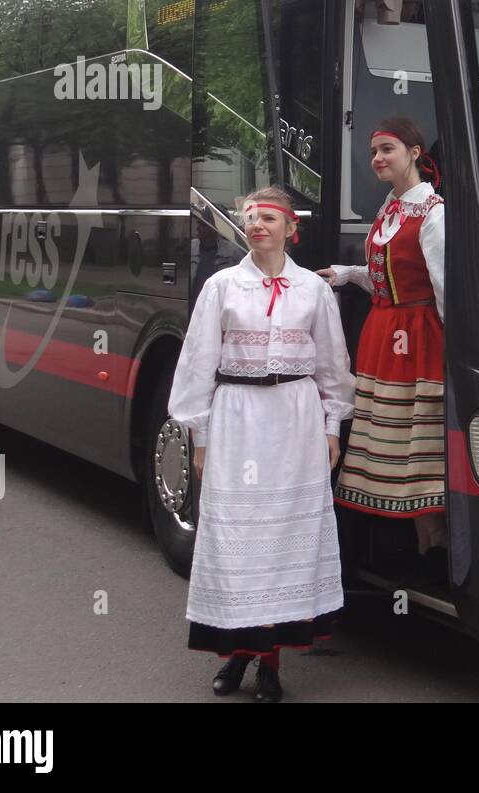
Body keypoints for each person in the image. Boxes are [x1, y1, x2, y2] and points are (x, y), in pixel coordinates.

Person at [168, 185, 355, 702]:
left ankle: (268, 663)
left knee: (281, 540)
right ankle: (236, 656)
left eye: (269, 218)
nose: (257, 225)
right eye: (250, 217)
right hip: (237, 417)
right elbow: (197, 363)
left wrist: (331, 426)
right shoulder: (222, 286)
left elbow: (332, 366)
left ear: (291, 229)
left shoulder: (313, 292)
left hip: (294, 419)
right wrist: (199, 435)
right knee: (239, 537)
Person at [318, 116, 447, 581]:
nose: (378, 158)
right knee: (384, 442)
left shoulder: (433, 212)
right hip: (383, 331)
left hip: (416, 337)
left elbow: (443, 286)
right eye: (374, 151)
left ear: (414, 152)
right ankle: (397, 551)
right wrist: (346, 273)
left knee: (416, 443)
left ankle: (430, 546)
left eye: (388, 149)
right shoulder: (390, 208)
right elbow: (388, 277)